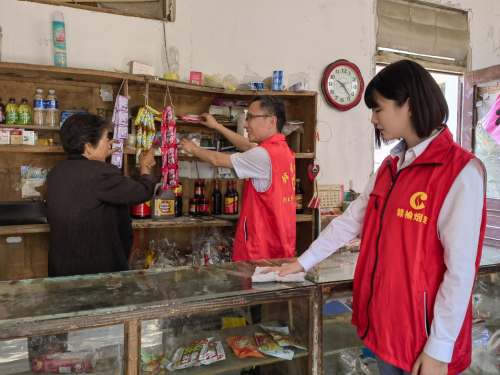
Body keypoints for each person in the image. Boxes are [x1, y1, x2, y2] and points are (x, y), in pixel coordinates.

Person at [264, 60, 486, 375]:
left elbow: (460, 272)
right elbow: (349, 221)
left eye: (378, 109)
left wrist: (440, 347)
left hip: (425, 340)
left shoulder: (460, 172)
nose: (373, 118)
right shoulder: (391, 167)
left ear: (407, 104)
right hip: (384, 327)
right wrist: (303, 262)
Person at [179, 95, 296, 261]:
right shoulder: (283, 150)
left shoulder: (263, 155)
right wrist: (217, 126)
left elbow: (218, 160)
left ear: (271, 121)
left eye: (250, 118)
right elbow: (247, 146)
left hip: (260, 249)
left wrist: (194, 148)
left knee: (255, 286)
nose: (246, 124)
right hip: (279, 242)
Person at [46, 114, 156, 277]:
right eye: (106, 139)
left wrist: (101, 155)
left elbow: (90, 194)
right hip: (96, 271)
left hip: (62, 268)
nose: (109, 143)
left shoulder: (56, 171)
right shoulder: (100, 173)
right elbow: (143, 191)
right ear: (89, 146)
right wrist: (145, 167)